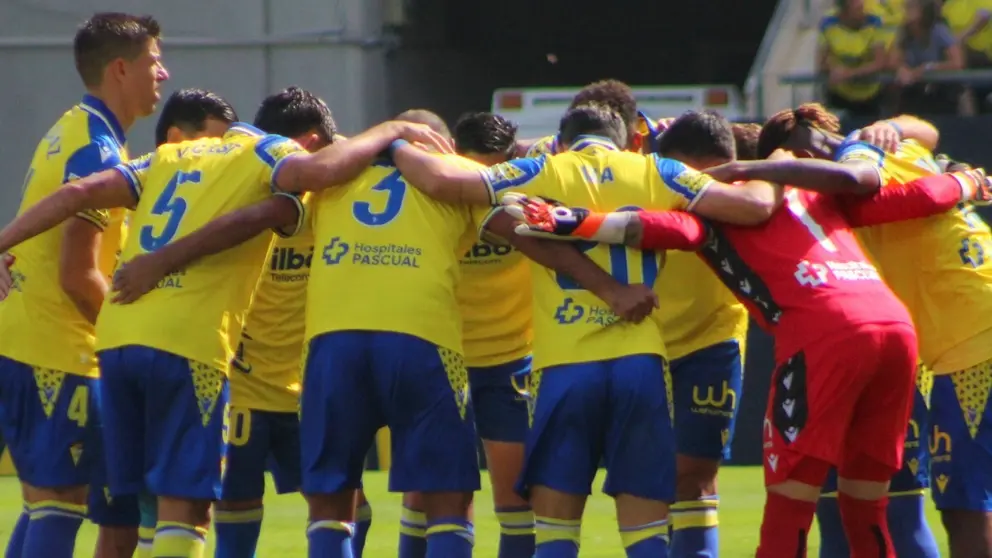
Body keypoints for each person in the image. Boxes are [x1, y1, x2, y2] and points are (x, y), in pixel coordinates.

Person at [0, 108, 449, 558]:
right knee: (186, 511)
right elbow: (272, 203)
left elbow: (78, 192)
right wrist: (389, 129)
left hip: (116, 337)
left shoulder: (171, 155)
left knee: (135, 511)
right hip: (186, 341)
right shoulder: (269, 155)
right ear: (306, 144)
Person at [501, 152, 992, 558]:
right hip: (895, 327)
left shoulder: (717, 206)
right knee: (867, 502)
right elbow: (916, 197)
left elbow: (666, 228)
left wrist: (575, 220)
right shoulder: (820, 197)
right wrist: (968, 181)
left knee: (790, 503)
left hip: (824, 332)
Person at [389, 102, 790, 558]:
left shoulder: (541, 170)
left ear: (562, 141)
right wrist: (777, 163)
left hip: (565, 362)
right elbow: (755, 206)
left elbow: (442, 181)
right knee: (646, 532)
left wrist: (394, 141)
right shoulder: (657, 171)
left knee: (555, 529)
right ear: (626, 142)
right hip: (639, 360)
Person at [758, 102, 992, 557]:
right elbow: (926, 130)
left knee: (966, 505)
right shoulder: (896, 146)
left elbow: (873, 192)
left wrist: (743, 170)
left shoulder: (850, 174)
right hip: (964, 327)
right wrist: (897, 128)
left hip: (971, 339)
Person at [0, 12, 168, 558]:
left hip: (27, 339)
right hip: (57, 348)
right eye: (154, 61)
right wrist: (132, 343)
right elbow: (77, 274)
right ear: (120, 68)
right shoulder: (97, 152)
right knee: (61, 501)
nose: (163, 73)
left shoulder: (72, 128)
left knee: (47, 501)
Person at [891, 0, 964, 114]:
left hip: (940, 90)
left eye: (911, 7)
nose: (907, 11)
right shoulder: (904, 31)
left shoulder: (939, 30)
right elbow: (893, 59)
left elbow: (957, 62)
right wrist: (901, 68)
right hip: (913, 89)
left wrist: (928, 68)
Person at [818, 0, 888, 116]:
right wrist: (834, 69)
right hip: (839, 94)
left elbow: (879, 62)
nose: (863, 10)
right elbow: (822, 60)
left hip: (869, 95)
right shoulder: (828, 22)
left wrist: (850, 73)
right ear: (844, 9)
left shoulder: (874, 21)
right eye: (857, 8)